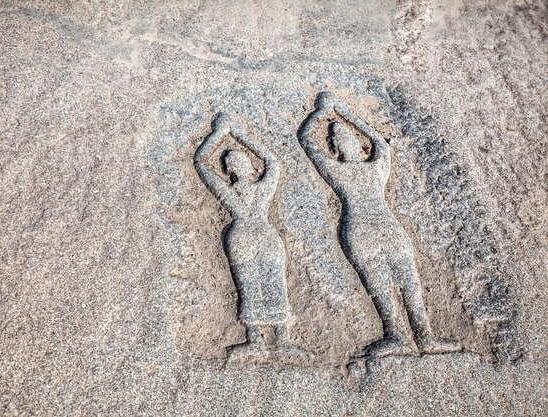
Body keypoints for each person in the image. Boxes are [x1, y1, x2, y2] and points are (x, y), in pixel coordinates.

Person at [298, 92, 459, 356]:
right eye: (338, 138)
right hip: (357, 228)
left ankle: (425, 335)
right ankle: (395, 334)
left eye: (348, 136)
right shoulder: (336, 171)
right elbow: (307, 142)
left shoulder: (376, 168)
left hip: (389, 226)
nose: (344, 139)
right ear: (335, 148)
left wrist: (345, 112)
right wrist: (321, 114)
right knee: (378, 283)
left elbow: (380, 143)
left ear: (359, 145)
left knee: (409, 280)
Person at [194, 112, 306, 361]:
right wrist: (219, 134)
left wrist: (237, 133)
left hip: (265, 234)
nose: (237, 164)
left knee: (274, 282)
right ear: (228, 170)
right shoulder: (226, 192)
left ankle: (283, 339)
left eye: (241, 159)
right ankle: (254, 339)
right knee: (248, 285)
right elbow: (201, 162)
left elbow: (272, 163)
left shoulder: (262, 188)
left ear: (250, 165)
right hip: (241, 235)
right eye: (232, 162)